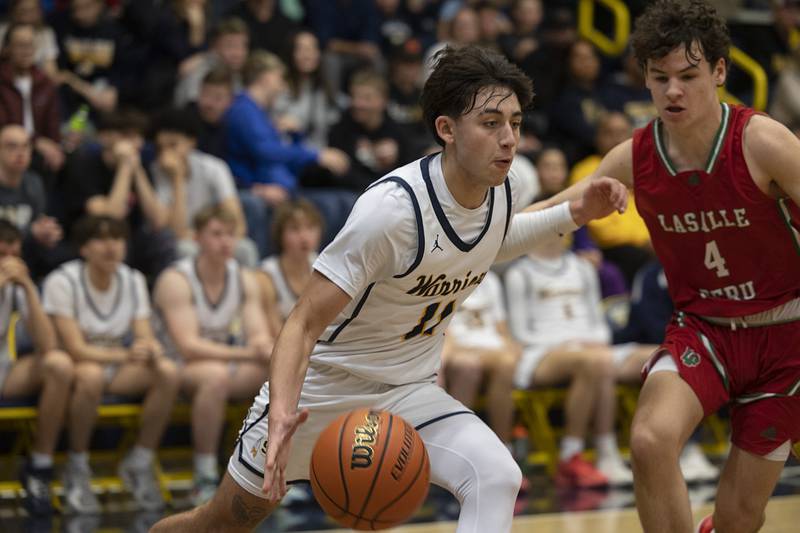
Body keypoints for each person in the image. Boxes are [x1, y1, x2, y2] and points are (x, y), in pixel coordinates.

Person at [151, 44, 626, 533]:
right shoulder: (392, 213)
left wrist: (575, 212)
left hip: (408, 391)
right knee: (219, 524)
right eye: (490, 123)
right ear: (446, 129)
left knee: (497, 474)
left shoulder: (502, 189)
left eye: (515, 122)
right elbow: (303, 322)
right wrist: (281, 416)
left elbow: (494, 242)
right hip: (322, 392)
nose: (509, 139)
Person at [536, 2, 800, 531]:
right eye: (660, 79)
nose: (673, 91)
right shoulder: (635, 155)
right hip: (702, 330)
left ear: (720, 72)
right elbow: (548, 216)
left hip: (785, 336)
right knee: (651, 439)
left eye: (688, 76)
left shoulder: (762, 141)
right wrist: (465, 233)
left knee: (739, 518)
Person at [42, 215, 180, 513]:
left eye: (117, 239)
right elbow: (75, 349)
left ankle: (140, 460)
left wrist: (151, 348)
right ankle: (77, 464)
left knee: (168, 371)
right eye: (101, 239)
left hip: (118, 365)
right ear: (83, 248)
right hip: (81, 364)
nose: (111, 247)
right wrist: (126, 355)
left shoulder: (132, 279)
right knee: (90, 375)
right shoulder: (61, 280)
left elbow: (143, 334)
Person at [153, 205, 271, 506]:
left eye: (230, 235)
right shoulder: (176, 279)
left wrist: (263, 347)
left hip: (228, 363)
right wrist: (248, 351)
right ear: (197, 239)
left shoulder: (244, 278)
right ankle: (204, 474)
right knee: (214, 376)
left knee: (277, 372)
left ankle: (269, 467)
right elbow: (189, 347)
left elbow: (257, 332)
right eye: (217, 234)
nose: (225, 242)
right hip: (178, 368)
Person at [504, 233, 633, 487]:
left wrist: (593, 340)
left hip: (588, 348)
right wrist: (566, 345)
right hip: (541, 353)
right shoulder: (519, 273)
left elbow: (599, 322)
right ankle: (571, 455)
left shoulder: (583, 267)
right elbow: (520, 333)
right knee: (594, 362)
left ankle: (611, 453)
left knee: (657, 357)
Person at [0, 220, 74, 516]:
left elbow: (47, 344)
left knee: (59, 364)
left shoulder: (15, 286)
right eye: (3, 252)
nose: (10, 261)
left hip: (5, 371)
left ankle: (40, 466)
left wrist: (28, 288)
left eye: (14, 253)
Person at [440, 270, 520, 451]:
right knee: (467, 365)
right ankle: (456, 448)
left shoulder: (490, 278)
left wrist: (512, 348)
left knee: (507, 363)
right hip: (456, 346)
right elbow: (442, 329)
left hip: (490, 346)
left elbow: (502, 328)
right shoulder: (442, 276)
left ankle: (505, 448)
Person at [257, 199, 324, 338]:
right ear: (280, 235)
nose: (304, 237)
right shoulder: (266, 275)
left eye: (310, 227)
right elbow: (275, 331)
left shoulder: (324, 266)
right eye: (295, 229)